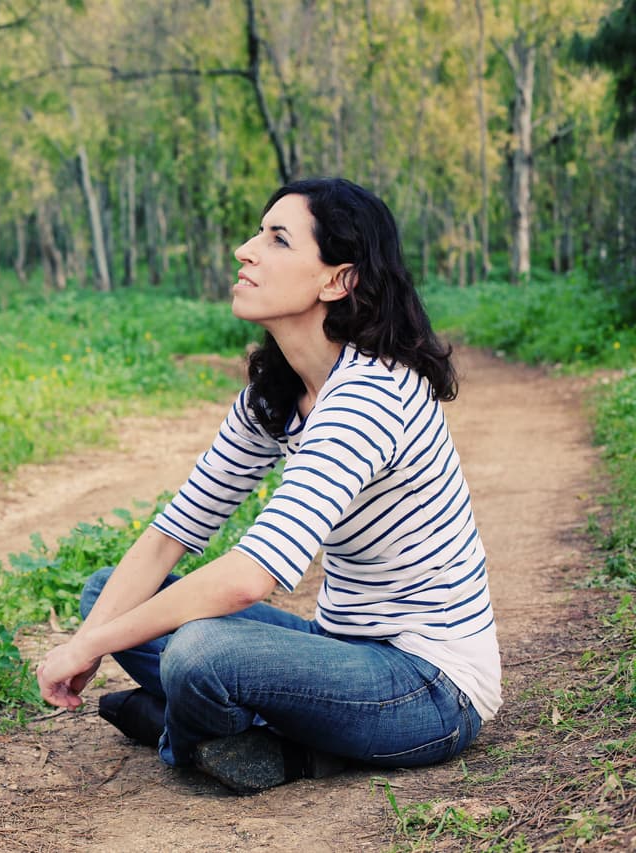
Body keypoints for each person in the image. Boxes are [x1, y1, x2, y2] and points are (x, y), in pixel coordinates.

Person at [35, 177, 501, 793]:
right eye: (259, 232)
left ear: (338, 280)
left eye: (277, 239)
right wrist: (87, 642)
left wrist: (91, 646)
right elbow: (173, 533)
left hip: (429, 688)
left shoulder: (372, 394)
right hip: (342, 649)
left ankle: (198, 737)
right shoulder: (277, 391)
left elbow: (252, 576)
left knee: (199, 653)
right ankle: (230, 735)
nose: (245, 250)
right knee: (107, 595)